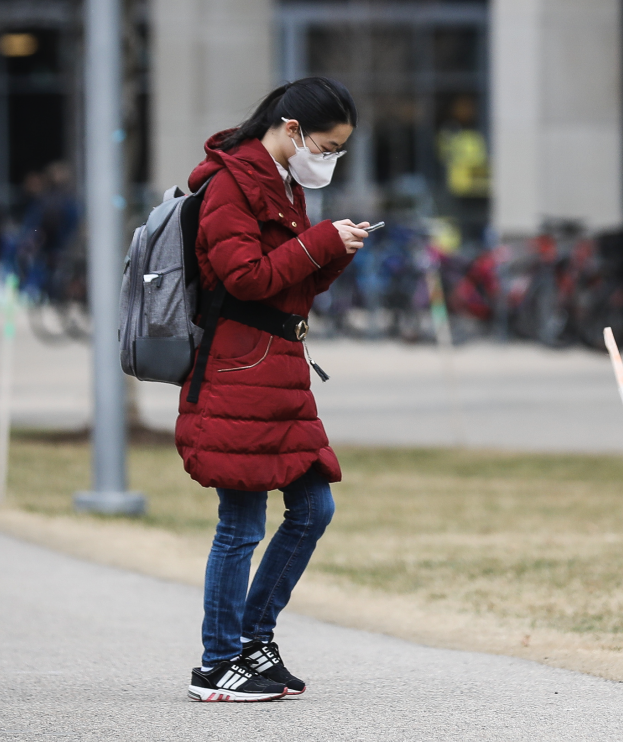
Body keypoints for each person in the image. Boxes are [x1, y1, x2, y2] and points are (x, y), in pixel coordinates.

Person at [177, 77, 370, 702]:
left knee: (314, 509)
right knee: (240, 521)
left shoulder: (282, 184)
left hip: (278, 365)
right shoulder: (229, 184)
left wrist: (334, 251)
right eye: (329, 146)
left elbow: (293, 285)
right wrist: (317, 243)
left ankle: (253, 641)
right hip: (238, 366)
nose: (331, 159)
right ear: (292, 131)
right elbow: (245, 277)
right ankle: (217, 664)